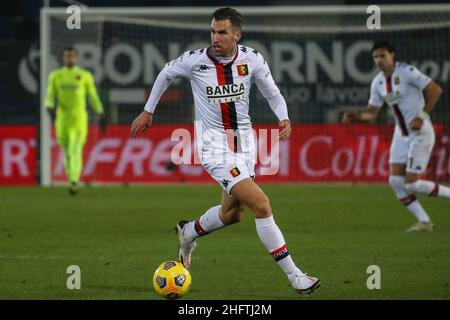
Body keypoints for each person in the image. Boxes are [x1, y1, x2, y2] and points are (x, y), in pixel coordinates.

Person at [131, 7, 320, 294]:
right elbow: (165, 74)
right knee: (262, 205)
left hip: (245, 145)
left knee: (233, 214)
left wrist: (283, 116)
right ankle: (296, 277)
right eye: (212, 31)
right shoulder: (195, 61)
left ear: (236, 35)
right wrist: (148, 111)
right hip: (214, 148)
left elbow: (272, 92)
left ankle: (188, 231)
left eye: (221, 33)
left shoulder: (252, 59)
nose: (215, 38)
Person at [342, 40, 449, 232]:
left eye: (383, 55)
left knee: (413, 183)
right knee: (395, 182)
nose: (379, 60)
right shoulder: (378, 82)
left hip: (420, 133)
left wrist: (422, 116)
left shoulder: (407, 72)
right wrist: (356, 116)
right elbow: (372, 112)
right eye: (375, 57)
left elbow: (435, 90)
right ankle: (425, 222)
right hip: (400, 134)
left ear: (392, 55)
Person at [45, 47, 107, 195]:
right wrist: (49, 109)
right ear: (63, 58)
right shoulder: (56, 76)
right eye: (67, 56)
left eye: (72, 56)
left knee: (75, 149)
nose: (70, 59)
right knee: (66, 151)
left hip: (79, 119)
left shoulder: (84, 76)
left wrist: (101, 113)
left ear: (77, 58)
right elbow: (49, 96)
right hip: (62, 120)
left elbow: (92, 96)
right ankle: (72, 179)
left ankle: (74, 180)